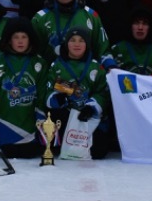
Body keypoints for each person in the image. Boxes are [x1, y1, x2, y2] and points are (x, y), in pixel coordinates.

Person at [41, 27, 114, 158]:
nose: (77, 44)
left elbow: (102, 92)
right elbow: (47, 90)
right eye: (72, 40)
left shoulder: (95, 67)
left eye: (81, 41)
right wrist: (56, 99)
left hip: (87, 117)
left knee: (99, 151)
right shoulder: (57, 66)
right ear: (66, 43)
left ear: (87, 44)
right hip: (65, 115)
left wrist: (92, 108)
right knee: (52, 142)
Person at [0, 19, 47, 158]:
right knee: (10, 151)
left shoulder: (40, 63)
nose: (20, 41)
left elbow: (42, 95)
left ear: (30, 39)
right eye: (16, 37)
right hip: (5, 123)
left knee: (29, 152)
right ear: (9, 40)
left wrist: (42, 125)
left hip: (30, 124)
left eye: (24, 37)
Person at [32, 0, 109, 62]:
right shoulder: (40, 18)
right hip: (51, 74)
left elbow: (103, 50)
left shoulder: (91, 16)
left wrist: (109, 65)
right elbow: (33, 55)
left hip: (84, 74)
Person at [110, 8, 152, 75]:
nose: (140, 27)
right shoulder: (118, 48)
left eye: (145, 23)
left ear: (150, 26)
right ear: (130, 25)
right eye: (136, 23)